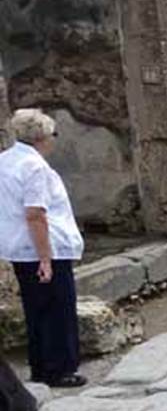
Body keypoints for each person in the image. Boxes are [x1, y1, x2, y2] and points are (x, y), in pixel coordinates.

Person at [0, 109, 86, 388]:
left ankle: (40, 366)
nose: (53, 141)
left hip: (18, 247)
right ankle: (60, 369)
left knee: (36, 308)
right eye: (53, 135)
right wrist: (45, 258)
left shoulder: (5, 161)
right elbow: (35, 213)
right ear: (42, 137)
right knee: (58, 308)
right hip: (45, 248)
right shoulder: (34, 167)